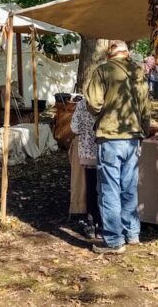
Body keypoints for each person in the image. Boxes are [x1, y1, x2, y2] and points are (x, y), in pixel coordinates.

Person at [86, 40, 151, 254]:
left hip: (111, 136)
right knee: (129, 187)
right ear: (127, 53)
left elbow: (93, 104)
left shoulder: (103, 70)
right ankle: (132, 233)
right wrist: (143, 131)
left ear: (109, 54)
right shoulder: (139, 72)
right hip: (133, 137)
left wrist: (101, 109)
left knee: (109, 189)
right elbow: (146, 109)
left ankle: (114, 241)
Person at [70, 95, 101, 239]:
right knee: (107, 187)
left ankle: (92, 221)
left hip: (88, 152)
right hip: (105, 149)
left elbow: (74, 127)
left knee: (91, 187)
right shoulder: (109, 101)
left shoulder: (82, 104)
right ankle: (103, 223)